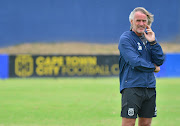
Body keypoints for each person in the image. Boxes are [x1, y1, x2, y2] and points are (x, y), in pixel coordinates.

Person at [118, 7, 165, 126]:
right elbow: (135, 61)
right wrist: (153, 68)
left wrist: (153, 42)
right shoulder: (126, 39)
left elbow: (160, 60)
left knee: (146, 124)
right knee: (128, 124)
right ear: (132, 22)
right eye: (138, 20)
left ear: (148, 23)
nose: (141, 24)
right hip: (132, 87)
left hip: (149, 87)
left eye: (144, 21)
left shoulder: (149, 38)